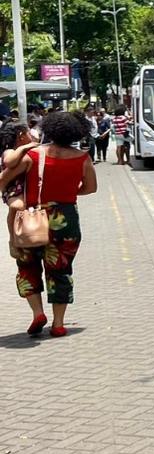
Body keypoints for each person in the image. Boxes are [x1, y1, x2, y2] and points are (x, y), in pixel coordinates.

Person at [0, 110, 96, 337]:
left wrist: (14, 197)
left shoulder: (32, 156)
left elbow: (3, 180)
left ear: (48, 129)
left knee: (27, 266)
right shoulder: (83, 157)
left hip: (32, 217)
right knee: (61, 270)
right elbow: (90, 188)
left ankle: (37, 314)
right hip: (66, 219)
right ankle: (58, 323)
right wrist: (68, 193)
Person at [1, 121, 40, 250]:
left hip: (23, 187)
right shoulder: (9, 151)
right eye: (28, 132)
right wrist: (25, 147)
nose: (31, 135)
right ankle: (13, 239)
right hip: (13, 189)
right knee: (18, 206)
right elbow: (9, 162)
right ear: (21, 135)